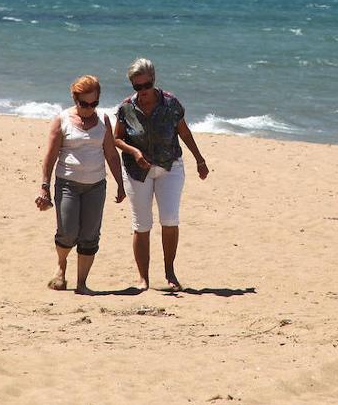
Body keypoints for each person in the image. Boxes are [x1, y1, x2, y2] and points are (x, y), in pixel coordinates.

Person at [113, 58, 210, 291]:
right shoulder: (126, 108)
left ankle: (170, 272)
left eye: (146, 86)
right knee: (142, 224)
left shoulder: (170, 103)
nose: (142, 92)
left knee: (169, 220)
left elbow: (184, 133)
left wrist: (200, 159)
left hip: (170, 166)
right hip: (137, 171)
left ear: (153, 81)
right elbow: (116, 138)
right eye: (137, 87)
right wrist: (135, 152)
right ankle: (143, 278)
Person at [35, 75, 126, 294]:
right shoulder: (62, 119)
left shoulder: (103, 120)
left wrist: (120, 184)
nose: (89, 108)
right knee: (67, 232)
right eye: (84, 104)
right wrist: (45, 185)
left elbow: (112, 155)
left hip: (96, 185)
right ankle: (61, 266)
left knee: (90, 235)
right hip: (67, 184)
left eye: (93, 103)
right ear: (75, 99)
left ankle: (82, 283)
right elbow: (51, 155)